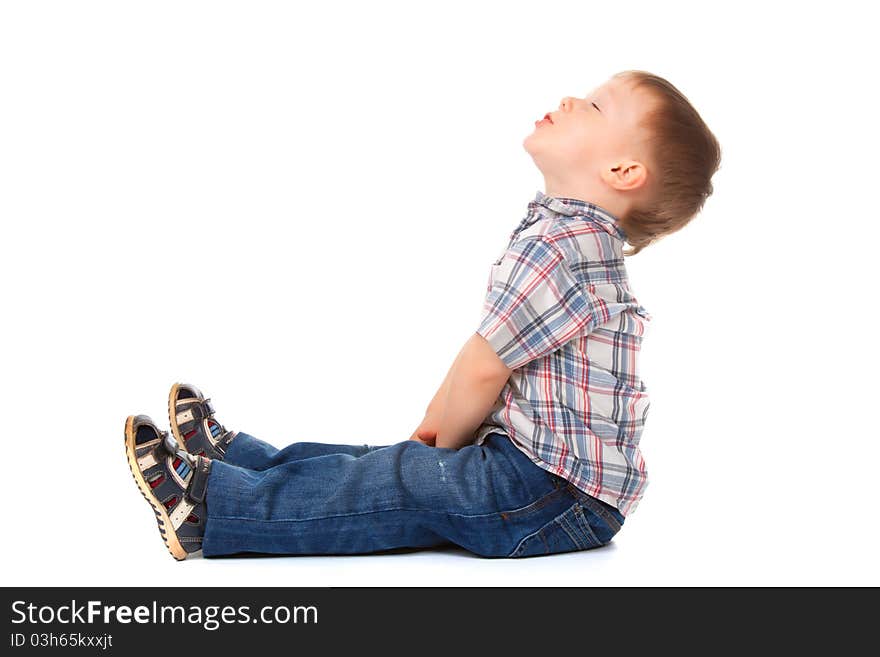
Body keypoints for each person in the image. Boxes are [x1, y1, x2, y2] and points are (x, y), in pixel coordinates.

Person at [124, 70, 721, 560]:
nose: (570, 97)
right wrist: (437, 427)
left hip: (554, 494)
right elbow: (484, 358)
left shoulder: (561, 246)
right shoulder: (568, 235)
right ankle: (239, 463)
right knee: (381, 466)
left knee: (401, 479)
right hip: (547, 479)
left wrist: (441, 445)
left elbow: (484, 371)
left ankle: (211, 509)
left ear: (622, 172)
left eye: (594, 107)